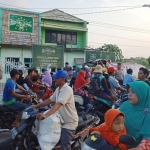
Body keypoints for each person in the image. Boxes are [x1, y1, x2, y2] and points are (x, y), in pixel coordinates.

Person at [32, 70, 78, 150]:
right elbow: (50, 100)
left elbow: (58, 104)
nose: (54, 80)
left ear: (63, 79)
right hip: (60, 121)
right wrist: (37, 105)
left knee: (65, 144)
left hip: (69, 122)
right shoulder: (58, 89)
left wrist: (46, 115)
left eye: (56, 78)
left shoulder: (67, 89)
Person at [119, 81, 150, 150]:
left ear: (143, 94)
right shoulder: (125, 105)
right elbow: (113, 119)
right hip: (118, 143)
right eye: (128, 91)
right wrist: (97, 129)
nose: (129, 94)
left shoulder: (148, 112)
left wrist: (140, 148)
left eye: (133, 92)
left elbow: (148, 136)